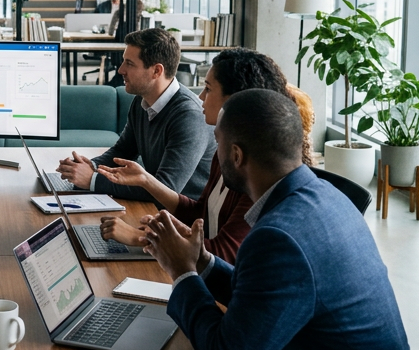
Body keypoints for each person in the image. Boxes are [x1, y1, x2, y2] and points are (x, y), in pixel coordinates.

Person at [144, 89, 416, 350]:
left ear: (236, 156)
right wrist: (203, 261)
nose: (215, 156)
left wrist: (182, 273)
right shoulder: (324, 194)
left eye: (217, 144)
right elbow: (266, 294)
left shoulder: (279, 237)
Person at [95, 48, 310, 263]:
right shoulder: (225, 150)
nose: (200, 98)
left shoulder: (258, 170)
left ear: (235, 101)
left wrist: (142, 237)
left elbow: (223, 253)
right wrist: (146, 181)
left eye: (208, 89)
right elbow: (201, 212)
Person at [56, 28, 215, 202]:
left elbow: (165, 187)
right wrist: (89, 166)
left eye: (129, 64)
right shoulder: (142, 101)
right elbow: (122, 151)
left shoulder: (189, 116)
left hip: (183, 219)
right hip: (154, 209)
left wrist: (92, 180)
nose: (120, 70)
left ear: (156, 71)